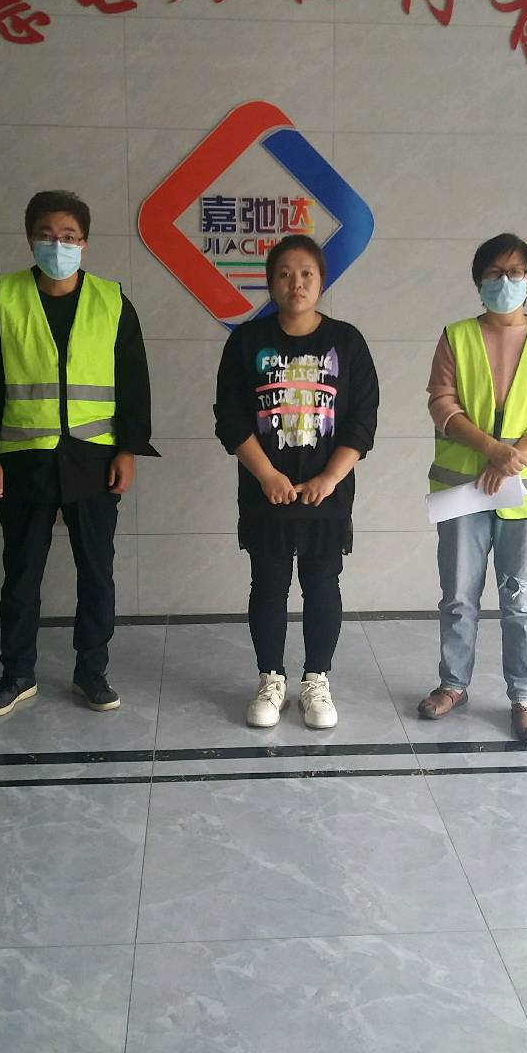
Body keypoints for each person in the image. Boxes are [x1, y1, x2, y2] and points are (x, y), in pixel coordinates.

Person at [0, 189, 157, 717]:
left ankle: (92, 671)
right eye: (46, 235)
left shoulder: (111, 301)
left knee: (97, 575)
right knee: (21, 575)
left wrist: (128, 450)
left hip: (95, 460)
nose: (57, 245)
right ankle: (17, 674)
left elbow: (133, 383)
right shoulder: (7, 298)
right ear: (30, 240)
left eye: (68, 236)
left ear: (85, 243)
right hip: (25, 460)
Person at [214, 234, 379, 730]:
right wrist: (267, 474)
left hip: (327, 493)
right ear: (271, 282)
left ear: (321, 280)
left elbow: (362, 419)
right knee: (268, 584)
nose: (296, 283)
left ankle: (315, 680)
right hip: (264, 492)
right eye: (285, 273)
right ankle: (271, 679)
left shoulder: (346, 342)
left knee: (322, 583)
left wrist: (330, 477)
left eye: (306, 273)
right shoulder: (246, 342)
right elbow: (230, 417)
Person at [418, 233, 527, 741]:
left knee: (521, 600)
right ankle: (453, 684)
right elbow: (441, 403)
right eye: (493, 273)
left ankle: (525, 697)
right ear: (478, 281)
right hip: (463, 489)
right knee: (458, 596)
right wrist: (493, 450)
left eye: (514, 272)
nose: (504, 281)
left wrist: (514, 457)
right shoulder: (457, 336)